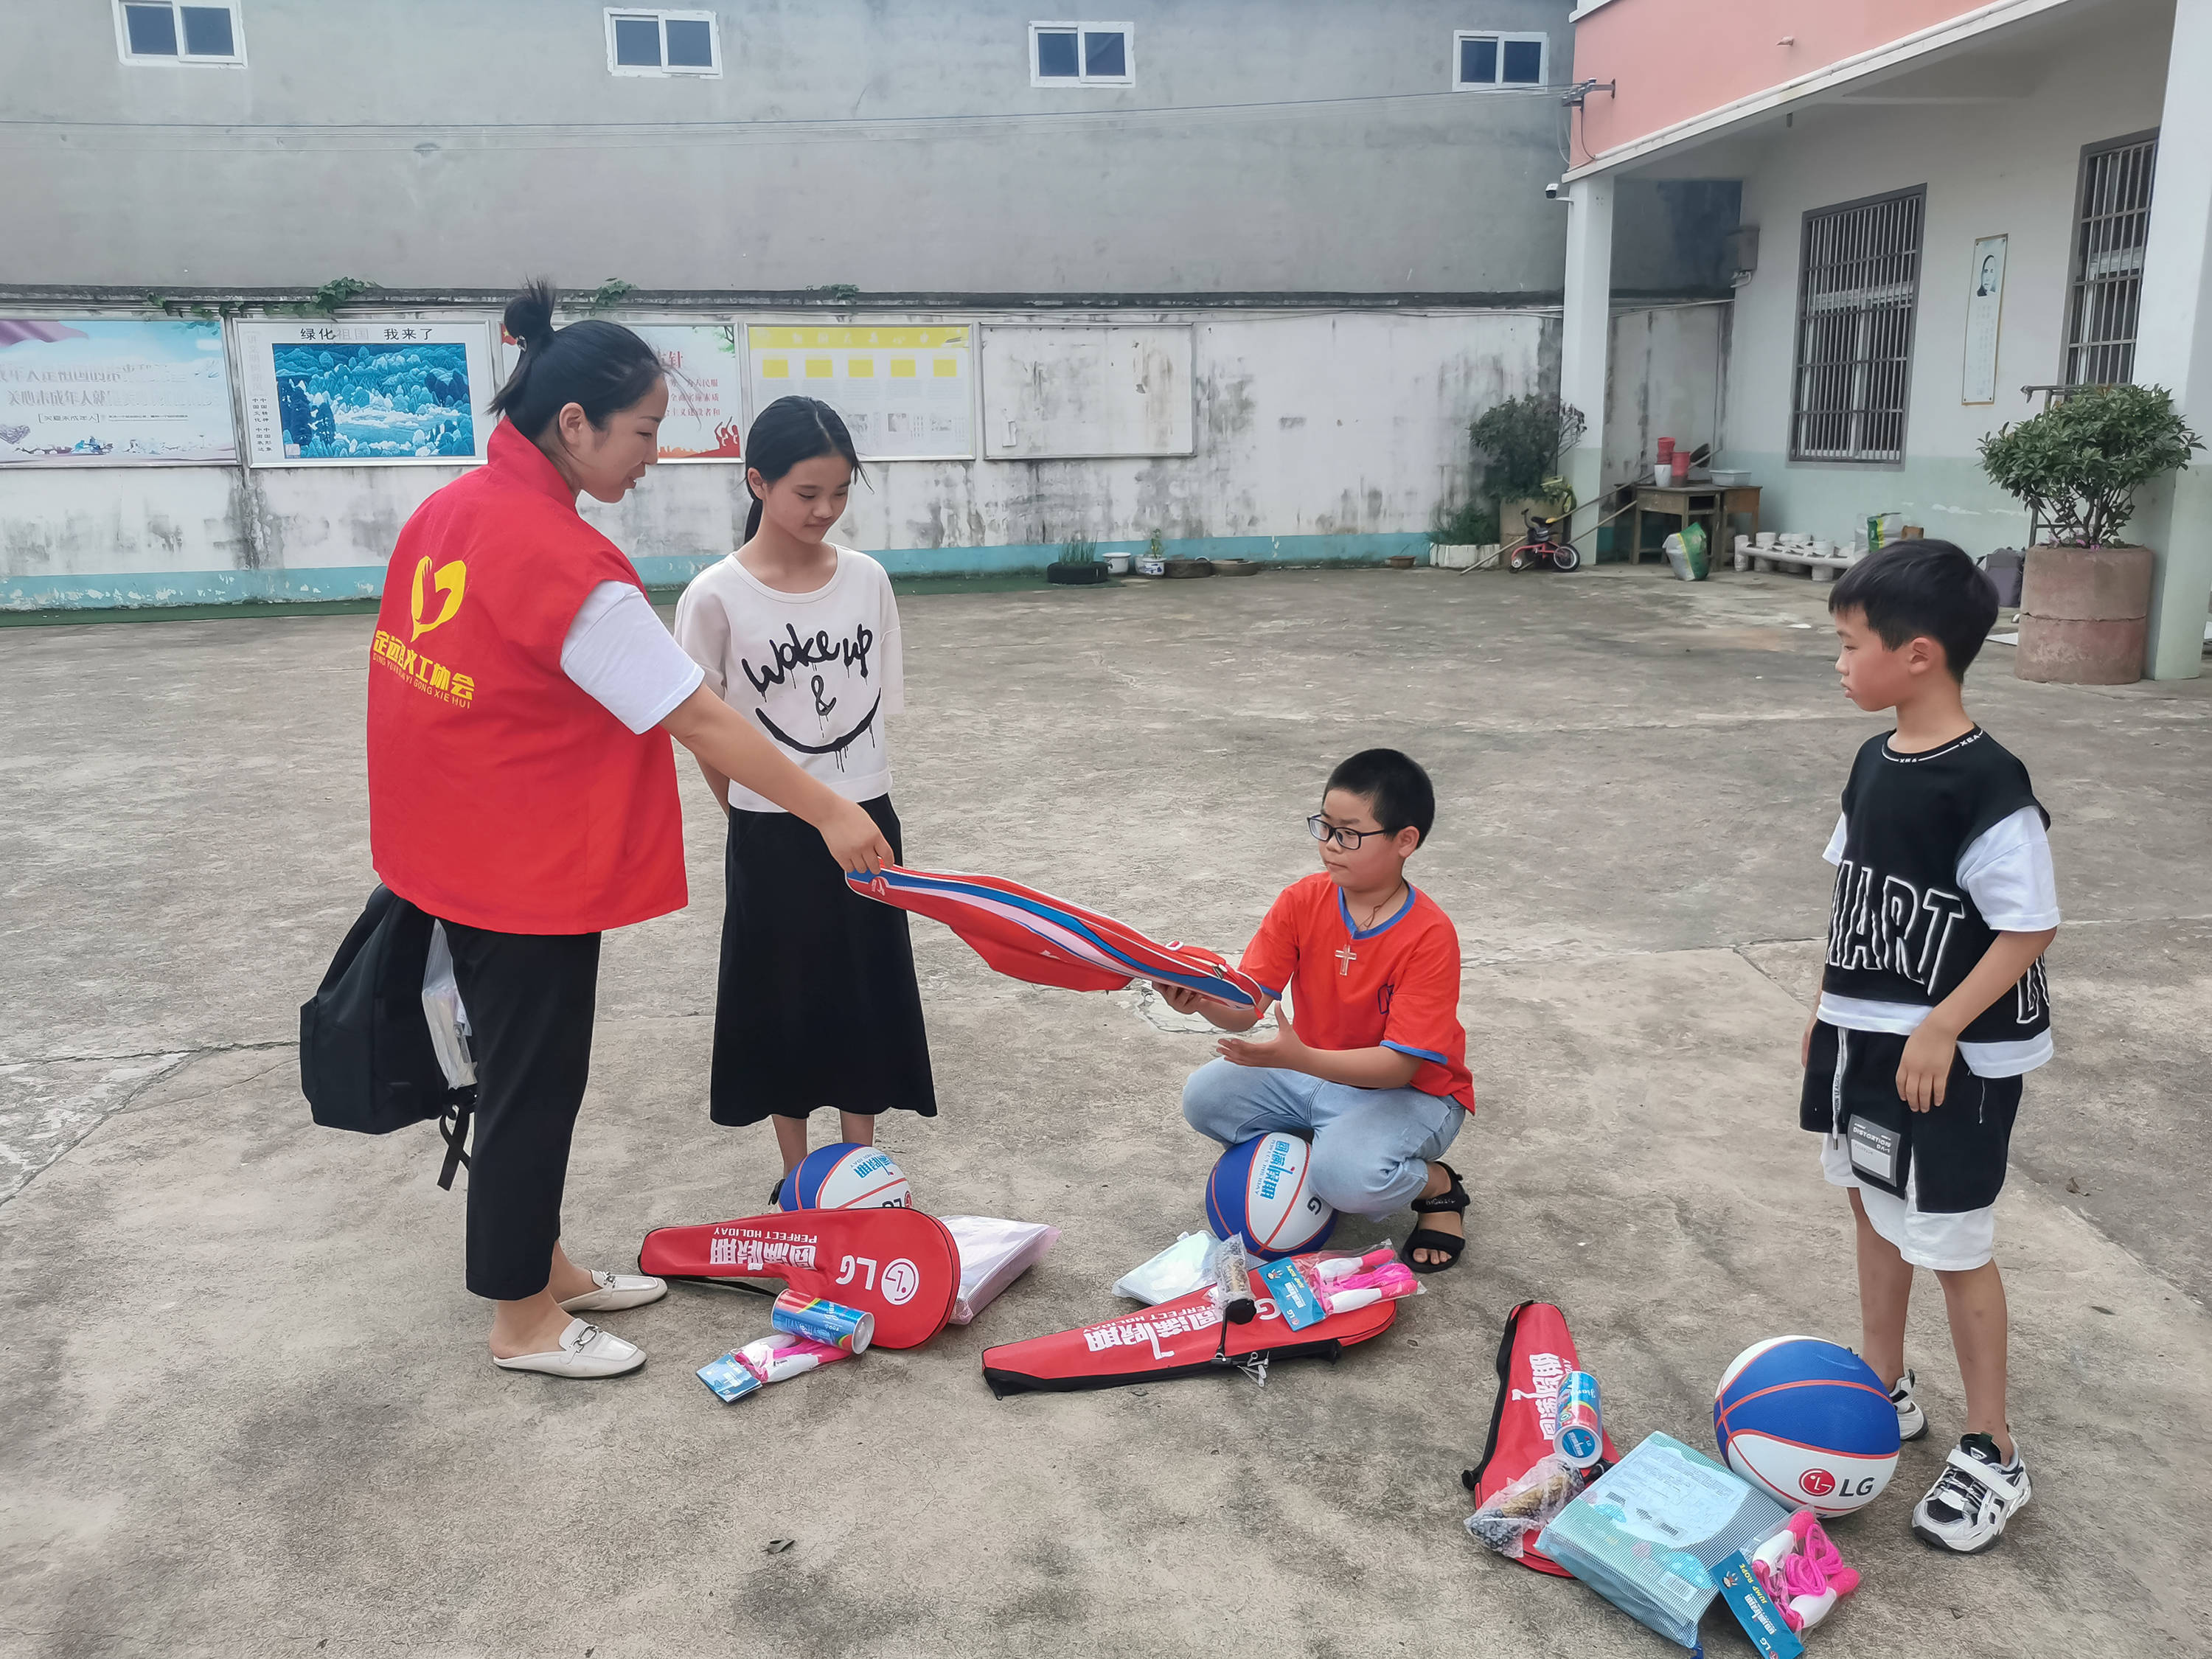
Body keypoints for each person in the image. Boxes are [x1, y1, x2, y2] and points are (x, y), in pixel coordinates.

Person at [365, 284, 893, 1380]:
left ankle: (542, 1259)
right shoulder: (564, 564)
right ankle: (521, 1318)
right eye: (645, 431)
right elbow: (698, 713)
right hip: (523, 866)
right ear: (575, 425)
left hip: (453, 846)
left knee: (520, 1074)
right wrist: (833, 806)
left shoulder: (449, 511)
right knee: (534, 1081)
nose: (654, 454)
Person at [1802, 540, 2059, 1553]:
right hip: (1869, 1039)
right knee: (1873, 1199)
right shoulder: (1873, 760)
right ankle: (1882, 1378)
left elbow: (2028, 924)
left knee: (1952, 1240)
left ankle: (1994, 1446)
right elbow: (1853, 893)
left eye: (1848, 643)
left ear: (1917, 655)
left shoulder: (1987, 781)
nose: (1838, 660)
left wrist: (1944, 1022)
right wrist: (1827, 1009)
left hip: (1955, 1058)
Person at [672, 397, 935, 1197]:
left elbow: (871, 712)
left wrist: (848, 810)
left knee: (864, 987)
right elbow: (703, 728)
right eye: (806, 494)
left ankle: (860, 1167)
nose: (825, 511)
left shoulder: (866, 581)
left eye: (840, 493)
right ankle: (797, 1177)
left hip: (868, 814)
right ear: (757, 482)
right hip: (772, 832)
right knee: (781, 997)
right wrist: (748, 816)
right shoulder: (714, 597)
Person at [1164, 749, 1474, 1272]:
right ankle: (1330, 1146)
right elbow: (1248, 1005)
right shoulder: (1302, 901)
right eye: (1324, 827)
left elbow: (1400, 1065)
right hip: (1314, 1071)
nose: (1330, 846)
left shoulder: (1429, 935)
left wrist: (1297, 1058)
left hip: (1408, 1093)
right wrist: (1201, 1004)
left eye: (1349, 833)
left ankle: (1439, 1186)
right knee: (1205, 1098)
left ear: (1405, 841)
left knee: (1350, 1182)